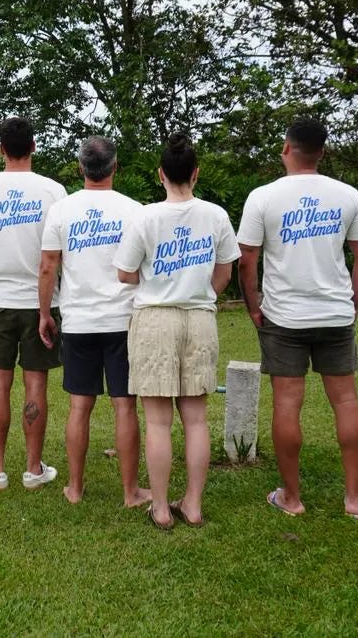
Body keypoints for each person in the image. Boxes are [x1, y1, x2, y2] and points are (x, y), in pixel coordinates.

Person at [236, 116, 358, 520]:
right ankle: (353, 499)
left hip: (283, 317)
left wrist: (253, 306)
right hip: (335, 314)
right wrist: (352, 304)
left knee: (286, 403)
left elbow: (247, 259)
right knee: (345, 400)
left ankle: (292, 497)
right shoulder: (348, 195)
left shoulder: (263, 197)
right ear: (322, 152)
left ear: (286, 148)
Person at [114, 134, 240, 530]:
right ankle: (194, 505)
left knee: (157, 421)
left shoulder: (146, 217)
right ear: (196, 173)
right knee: (196, 419)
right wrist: (198, 291)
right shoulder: (216, 216)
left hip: (154, 318)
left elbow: (124, 273)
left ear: (161, 174)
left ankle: (162, 508)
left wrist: (157, 281)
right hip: (199, 318)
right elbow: (224, 273)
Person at [38, 137, 149, 507]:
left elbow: (48, 267)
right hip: (124, 320)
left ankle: (75, 488)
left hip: (79, 321)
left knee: (79, 406)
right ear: (115, 167)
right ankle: (131, 492)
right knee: (125, 406)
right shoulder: (135, 211)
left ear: (80, 168)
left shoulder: (61, 210)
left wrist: (44, 313)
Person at [0, 116, 68, 491]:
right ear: (34, 146)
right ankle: (33, 468)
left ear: (1, 149)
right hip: (41, 301)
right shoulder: (54, 192)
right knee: (35, 384)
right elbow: (60, 254)